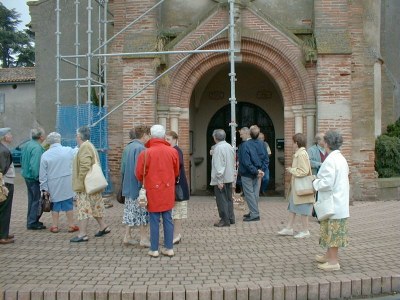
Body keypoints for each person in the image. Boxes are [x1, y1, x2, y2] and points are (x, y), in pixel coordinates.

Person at [136, 125, 179, 257]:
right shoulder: (172, 151)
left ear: (151, 135)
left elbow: (138, 173)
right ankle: (169, 247)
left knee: (154, 219)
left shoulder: (145, 153)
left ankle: (154, 249)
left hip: (152, 190)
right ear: (163, 135)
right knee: (168, 218)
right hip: (167, 189)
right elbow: (176, 171)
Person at [312, 130, 349, 271]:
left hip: (334, 202)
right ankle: (328, 256)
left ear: (327, 143)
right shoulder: (340, 158)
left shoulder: (331, 160)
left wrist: (315, 183)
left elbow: (327, 183)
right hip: (338, 201)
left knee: (333, 232)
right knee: (329, 230)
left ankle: (333, 262)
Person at [70, 126, 110, 242]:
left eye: (76, 135)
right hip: (92, 184)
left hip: (86, 186)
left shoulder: (85, 147)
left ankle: (82, 234)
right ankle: (103, 226)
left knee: (84, 209)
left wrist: (80, 181)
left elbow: (85, 166)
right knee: (94, 206)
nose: (76, 138)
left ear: (79, 136)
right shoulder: (89, 145)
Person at [39, 132, 79, 233]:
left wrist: (44, 189)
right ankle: (71, 225)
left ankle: (55, 226)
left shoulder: (45, 155)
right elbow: (77, 151)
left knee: (55, 204)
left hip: (53, 183)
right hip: (67, 182)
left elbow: (42, 175)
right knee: (68, 203)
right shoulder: (67, 150)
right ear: (59, 140)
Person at [277, 133, 315, 238]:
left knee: (303, 208)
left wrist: (291, 170)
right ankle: (289, 228)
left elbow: (304, 171)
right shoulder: (300, 153)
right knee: (293, 207)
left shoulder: (301, 154)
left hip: (301, 187)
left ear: (297, 143)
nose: (292, 144)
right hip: (298, 186)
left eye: (293, 142)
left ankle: (305, 230)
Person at [121, 125, 150, 246]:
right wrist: (142, 187)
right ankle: (143, 238)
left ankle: (127, 236)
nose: (149, 137)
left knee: (130, 211)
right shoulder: (141, 149)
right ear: (144, 135)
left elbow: (122, 168)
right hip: (137, 187)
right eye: (148, 135)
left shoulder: (128, 147)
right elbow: (141, 170)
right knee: (142, 211)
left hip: (127, 185)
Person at [165, 131, 190, 243]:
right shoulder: (172, 150)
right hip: (175, 185)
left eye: (168, 139)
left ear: (175, 139)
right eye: (165, 139)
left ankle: (177, 234)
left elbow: (177, 168)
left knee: (178, 211)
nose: (166, 141)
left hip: (178, 185)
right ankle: (175, 234)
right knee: (174, 211)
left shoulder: (176, 150)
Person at [21, 127, 47, 230]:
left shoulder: (27, 145)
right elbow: (35, 165)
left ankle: (31, 220)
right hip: (33, 178)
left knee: (31, 200)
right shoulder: (37, 148)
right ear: (41, 137)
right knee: (36, 200)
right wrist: (38, 177)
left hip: (27, 176)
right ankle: (32, 222)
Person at [238, 126, 265, 222]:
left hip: (248, 173)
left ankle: (254, 213)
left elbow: (246, 161)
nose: (240, 136)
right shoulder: (260, 143)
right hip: (256, 171)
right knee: (254, 193)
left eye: (241, 134)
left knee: (250, 194)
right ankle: (253, 211)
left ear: (247, 133)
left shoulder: (245, 145)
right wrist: (260, 170)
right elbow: (264, 158)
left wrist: (256, 171)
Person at [210, 129, 236, 227]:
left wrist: (219, 180)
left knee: (221, 200)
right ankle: (230, 217)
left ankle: (224, 220)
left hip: (222, 178)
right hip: (229, 177)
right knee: (229, 199)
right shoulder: (229, 146)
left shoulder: (218, 148)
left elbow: (219, 166)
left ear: (215, 137)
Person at [0, 128, 15, 244]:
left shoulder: (4, 149)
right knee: (5, 209)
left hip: (5, 181)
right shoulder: (3, 150)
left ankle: (4, 232)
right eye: (9, 134)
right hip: (6, 183)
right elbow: (3, 169)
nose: (11, 136)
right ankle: (2, 236)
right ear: (4, 137)